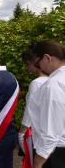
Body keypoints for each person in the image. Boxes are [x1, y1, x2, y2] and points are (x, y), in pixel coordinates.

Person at [28, 40, 65, 168]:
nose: (40, 68)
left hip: (55, 153)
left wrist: (37, 163)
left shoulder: (53, 84)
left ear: (47, 58)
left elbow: (50, 133)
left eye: (38, 64)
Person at [18, 46, 49, 168]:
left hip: (39, 134)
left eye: (27, 64)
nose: (27, 68)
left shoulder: (36, 83)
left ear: (33, 62)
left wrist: (21, 132)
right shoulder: (57, 79)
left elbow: (30, 111)